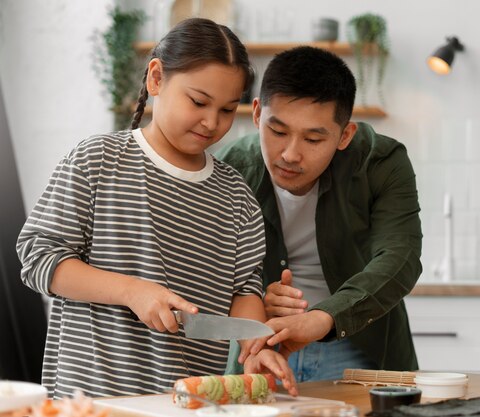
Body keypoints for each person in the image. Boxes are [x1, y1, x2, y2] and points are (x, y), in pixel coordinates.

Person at [16, 18, 296, 399]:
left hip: (186, 403)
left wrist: (254, 347)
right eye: (198, 102)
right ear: (156, 78)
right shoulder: (96, 161)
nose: (211, 122)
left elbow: (244, 291)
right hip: (90, 402)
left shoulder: (237, 197)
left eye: (228, 110)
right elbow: (38, 259)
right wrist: (132, 291)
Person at [216, 46, 423, 382]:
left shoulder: (381, 162)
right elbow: (209, 273)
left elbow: (400, 258)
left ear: (345, 135)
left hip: (359, 345)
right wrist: (254, 300)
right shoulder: (227, 171)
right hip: (259, 348)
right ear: (256, 114)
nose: (290, 154)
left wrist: (324, 317)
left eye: (313, 138)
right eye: (278, 131)